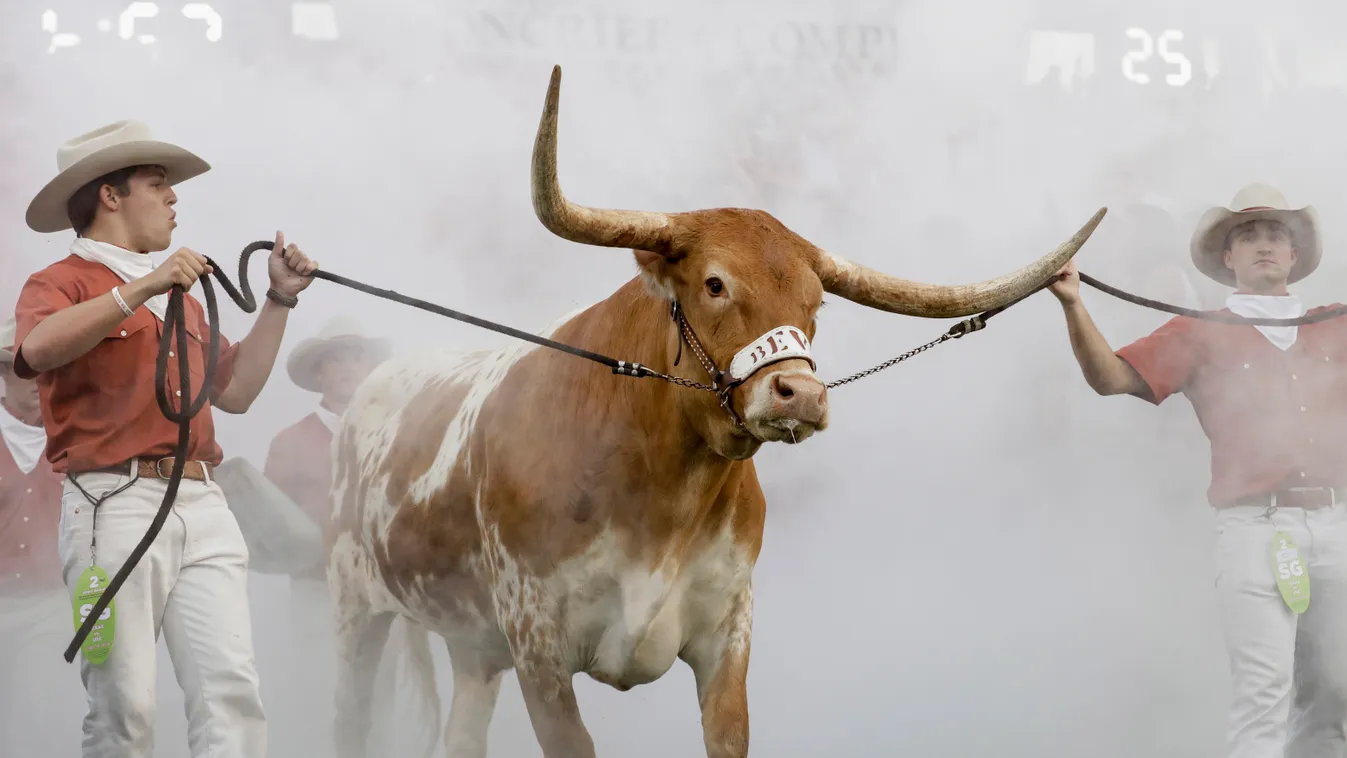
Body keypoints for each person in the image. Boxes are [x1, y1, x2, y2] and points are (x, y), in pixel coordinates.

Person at [12, 119, 319, 758]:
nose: (175, 198)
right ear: (110, 196)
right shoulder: (60, 282)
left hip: (202, 502)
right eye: (158, 184)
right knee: (125, 705)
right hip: (110, 503)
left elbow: (235, 391)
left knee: (232, 690)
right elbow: (38, 349)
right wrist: (144, 287)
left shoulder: (186, 297)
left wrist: (279, 301)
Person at [1050, 182, 1347, 758]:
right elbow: (1110, 378)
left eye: (1277, 236)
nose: (1264, 245)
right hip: (1255, 530)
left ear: (1294, 256)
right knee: (1264, 693)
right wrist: (1073, 303)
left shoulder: (1335, 323)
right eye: (1249, 235)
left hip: (1338, 523)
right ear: (1228, 258)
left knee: (1336, 695)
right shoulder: (1196, 330)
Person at [262, 314, 390, 757]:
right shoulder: (288, 442)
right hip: (317, 595)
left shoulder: (398, 434)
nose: (349, 367)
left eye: (358, 356)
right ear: (320, 372)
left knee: (383, 707)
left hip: (385, 596)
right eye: (336, 358)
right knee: (321, 700)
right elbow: (270, 527)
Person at [0, 312, 85, 757]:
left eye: (48, 368)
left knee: (41, 712)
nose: (38, 379)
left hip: (51, 605)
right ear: (3, 373)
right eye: (26, 366)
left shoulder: (78, 442)